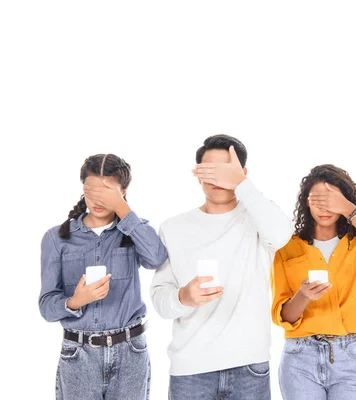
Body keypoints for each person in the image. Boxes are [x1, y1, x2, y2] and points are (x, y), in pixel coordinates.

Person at [150, 134, 293, 400]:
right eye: (210, 170)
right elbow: (160, 299)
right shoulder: (173, 228)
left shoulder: (258, 219)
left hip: (249, 366)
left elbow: (283, 234)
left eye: (226, 170)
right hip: (190, 371)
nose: (218, 178)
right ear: (197, 174)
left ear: (243, 174)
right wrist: (183, 297)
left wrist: (241, 184)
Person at [39, 153, 167, 400]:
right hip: (79, 355)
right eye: (91, 191)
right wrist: (75, 301)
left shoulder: (133, 231)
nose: (97, 200)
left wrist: (123, 209)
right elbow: (46, 307)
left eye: (107, 192)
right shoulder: (57, 238)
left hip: (131, 352)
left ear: (124, 191)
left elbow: (156, 258)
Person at [272, 164, 356, 400]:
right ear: (305, 203)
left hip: (350, 356)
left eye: (331, 200)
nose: (325, 208)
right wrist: (302, 296)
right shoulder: (286, 247)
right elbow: (283, 317)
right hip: (300, 358)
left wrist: (348, 208)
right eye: (317, 200)